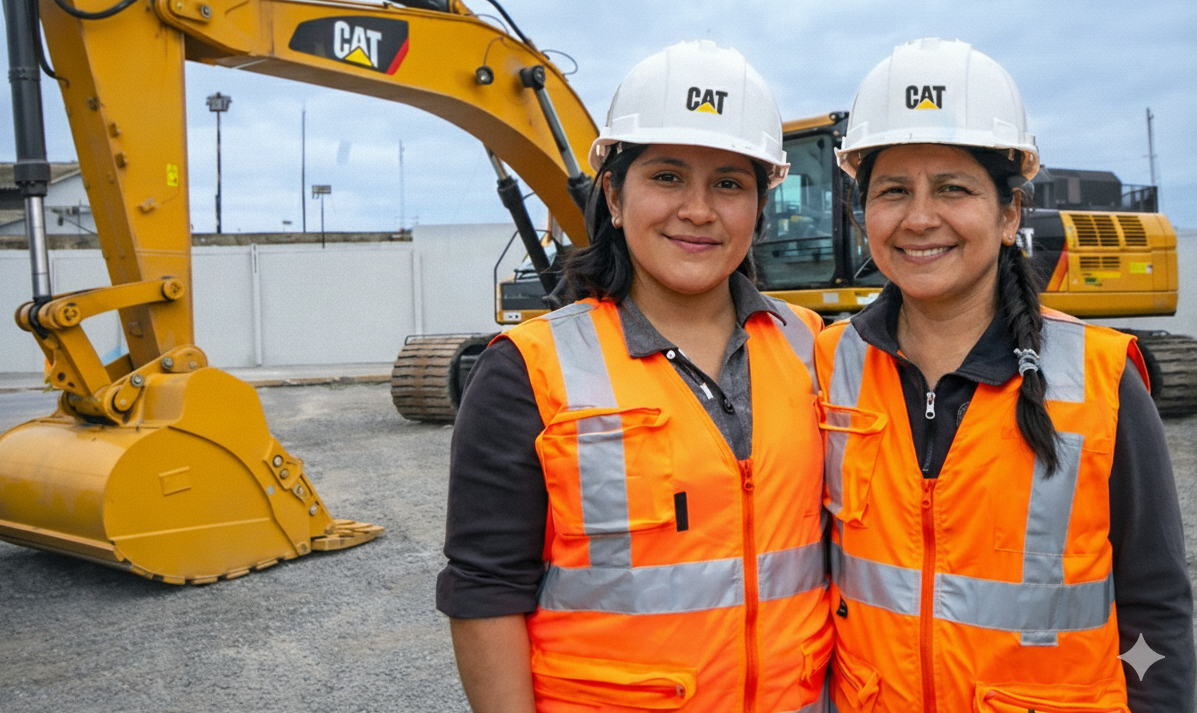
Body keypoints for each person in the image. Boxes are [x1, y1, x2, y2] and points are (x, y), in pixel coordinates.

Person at [437, 40, 832, 712]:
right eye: (668, 177)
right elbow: (486, 589)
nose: (699, 210)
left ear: (759, 206)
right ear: (615, 197)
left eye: (729, 184)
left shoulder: (810, 347)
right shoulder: (528, 372)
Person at [818, 37, 1195, 712]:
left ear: (1009, 213)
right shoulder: (827, 365)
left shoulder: (1101, 380)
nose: (920, 217)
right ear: (864, 213)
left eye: (953, 189)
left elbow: (1156, 604)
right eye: (893, 191)